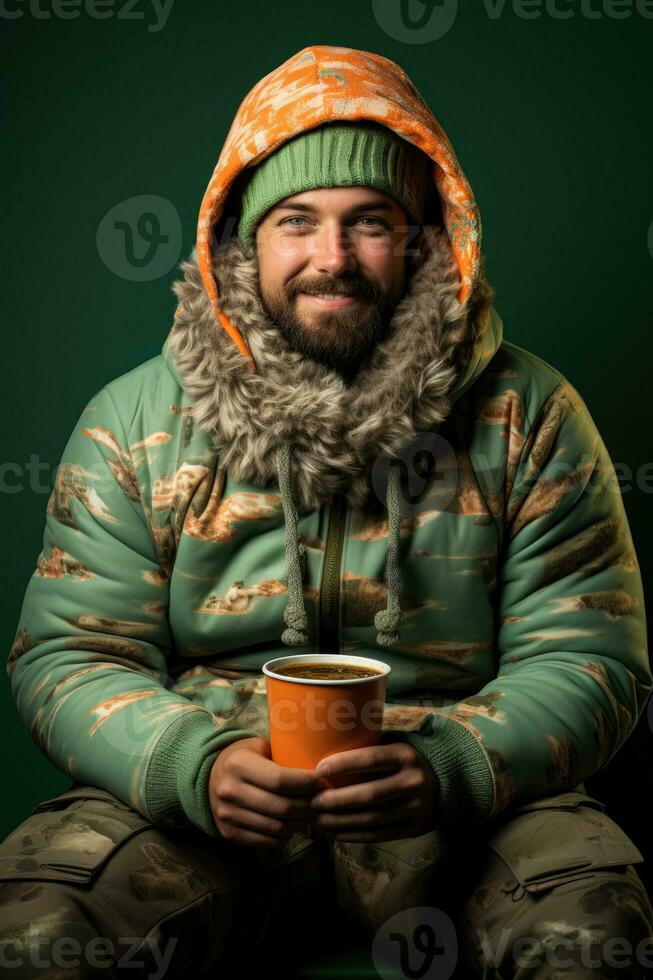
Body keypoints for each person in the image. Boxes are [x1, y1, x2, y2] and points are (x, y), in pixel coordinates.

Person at [2, 43, 652, 978]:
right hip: (210, 791)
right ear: (242, 240)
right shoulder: (134, 418)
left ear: (426, 236)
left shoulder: (530, 416)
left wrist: (450, 763)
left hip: (469, 796)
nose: (332, 259)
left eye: (370, 223)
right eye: (296, 222)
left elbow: (591, 657)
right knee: (31, 935)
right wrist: (192, 764)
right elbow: (70, 654)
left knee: (598, 944)